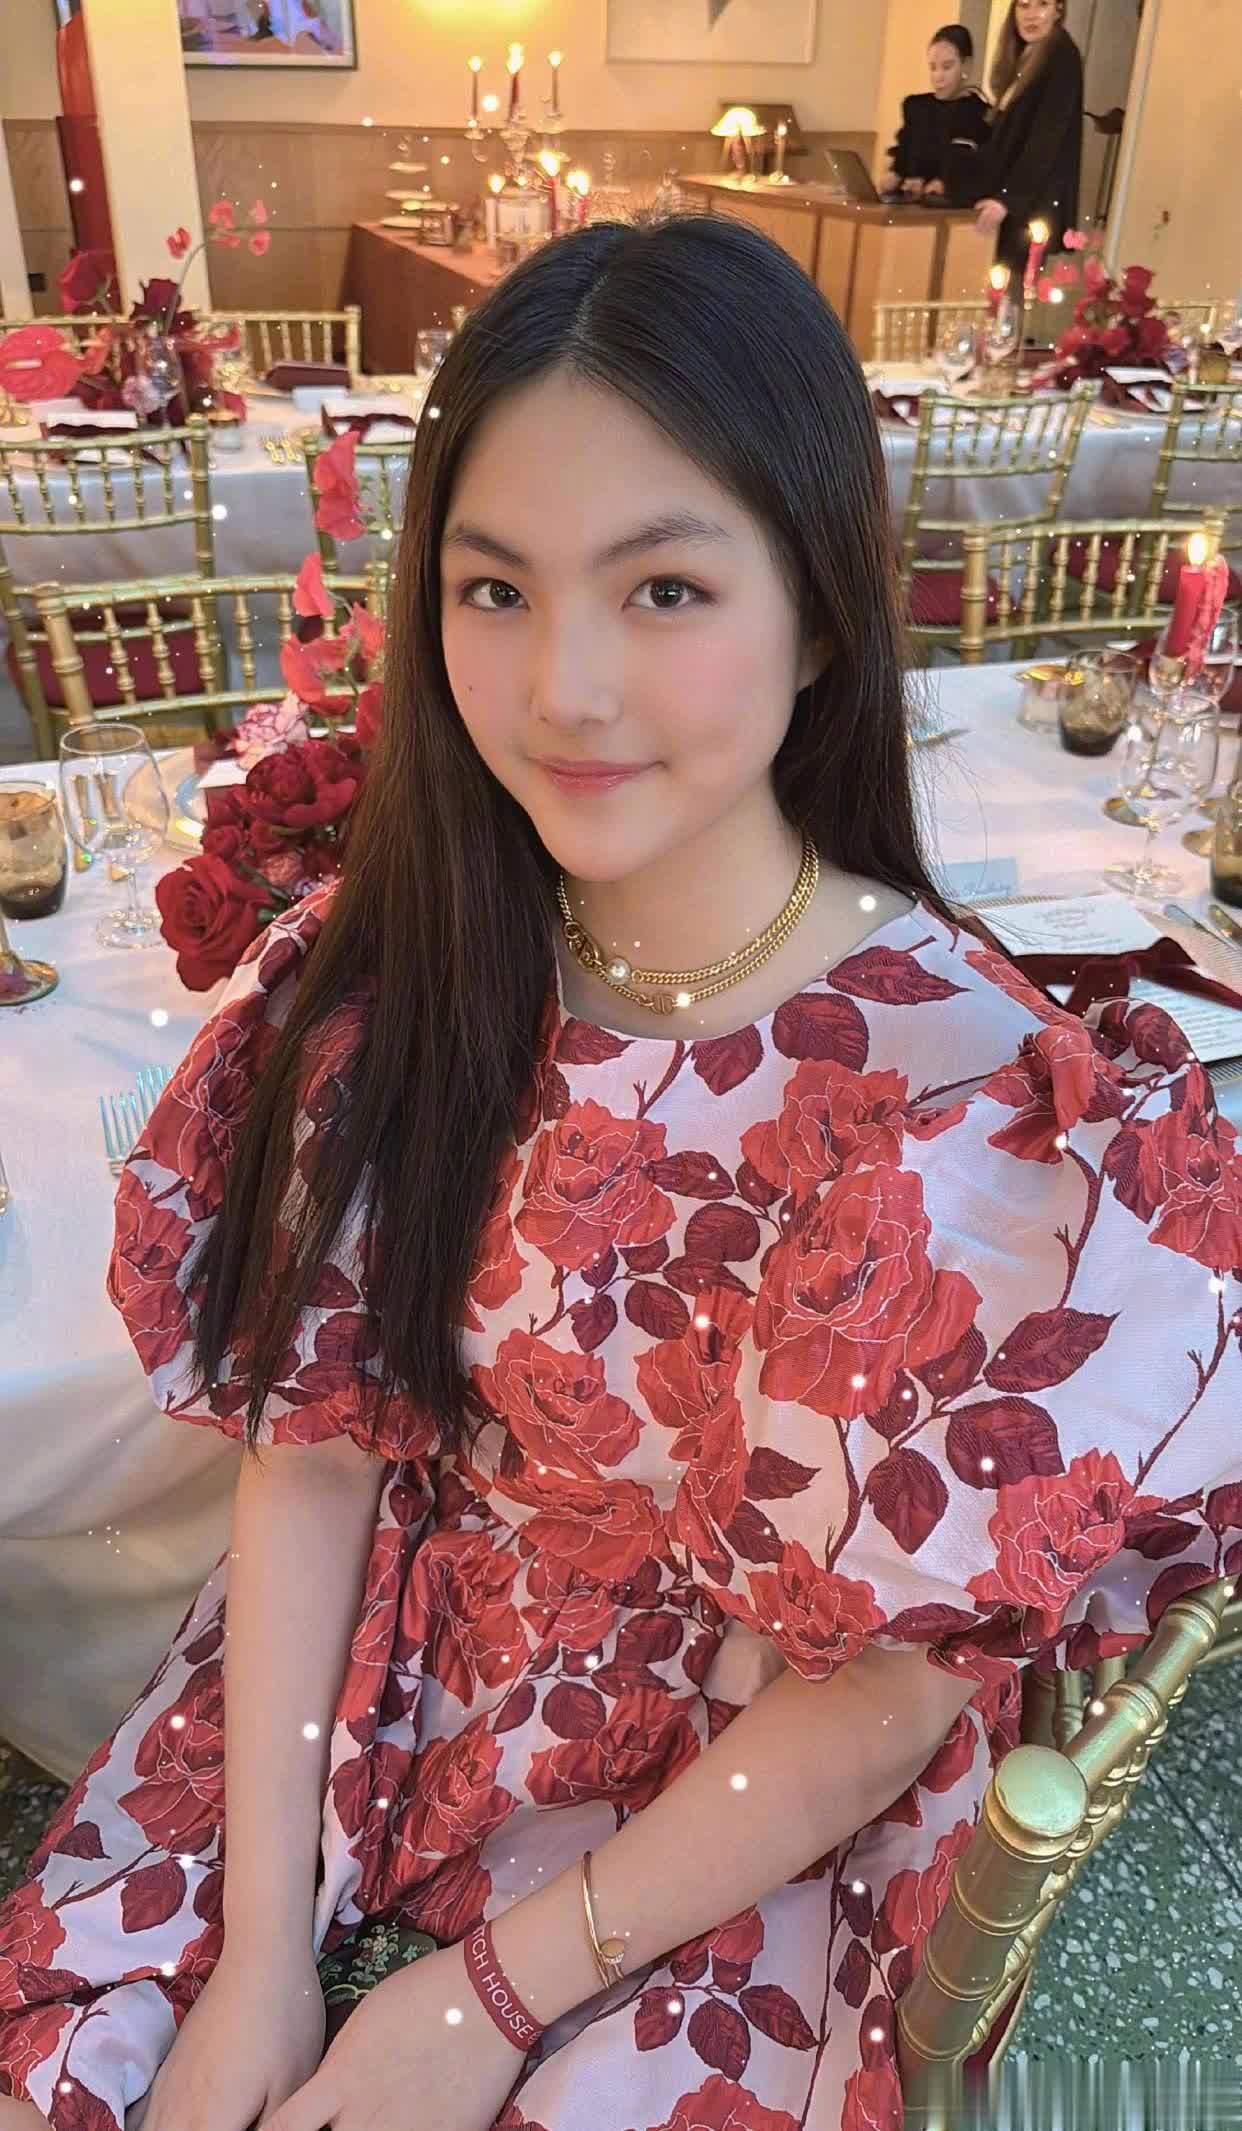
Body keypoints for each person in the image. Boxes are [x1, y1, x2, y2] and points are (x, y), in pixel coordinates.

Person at [1, 214, 1240, 2131]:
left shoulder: (977, 1111)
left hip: (730, 1800)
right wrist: (258, 1952)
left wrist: (484, 1997)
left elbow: (883, 1693)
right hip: (378, 1665)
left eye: (662, 590)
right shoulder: (411, 979)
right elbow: (315, 1458)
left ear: (817, 611)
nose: (563, 687)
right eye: (494, 590)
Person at [975, 0, 1084, 273]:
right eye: (1023, 5)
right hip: (1015, 202)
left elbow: (1045, 139)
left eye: (1042, 4)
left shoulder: (1061, 57)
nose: (1031, 15)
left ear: (1059, 9)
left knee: (1012, 289)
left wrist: (1007, 199)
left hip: (1031, 205)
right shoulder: (1026, 54)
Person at [881, 24, 991, 206]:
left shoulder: (981, 114)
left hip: (948, 211)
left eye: (947, 67)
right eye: (933, 68)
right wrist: (895, 175)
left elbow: (976, 170)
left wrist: (942, 185)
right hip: (907, 206)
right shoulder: (915, 107)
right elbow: (903, 156)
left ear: (966, 65)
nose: (938, 76)